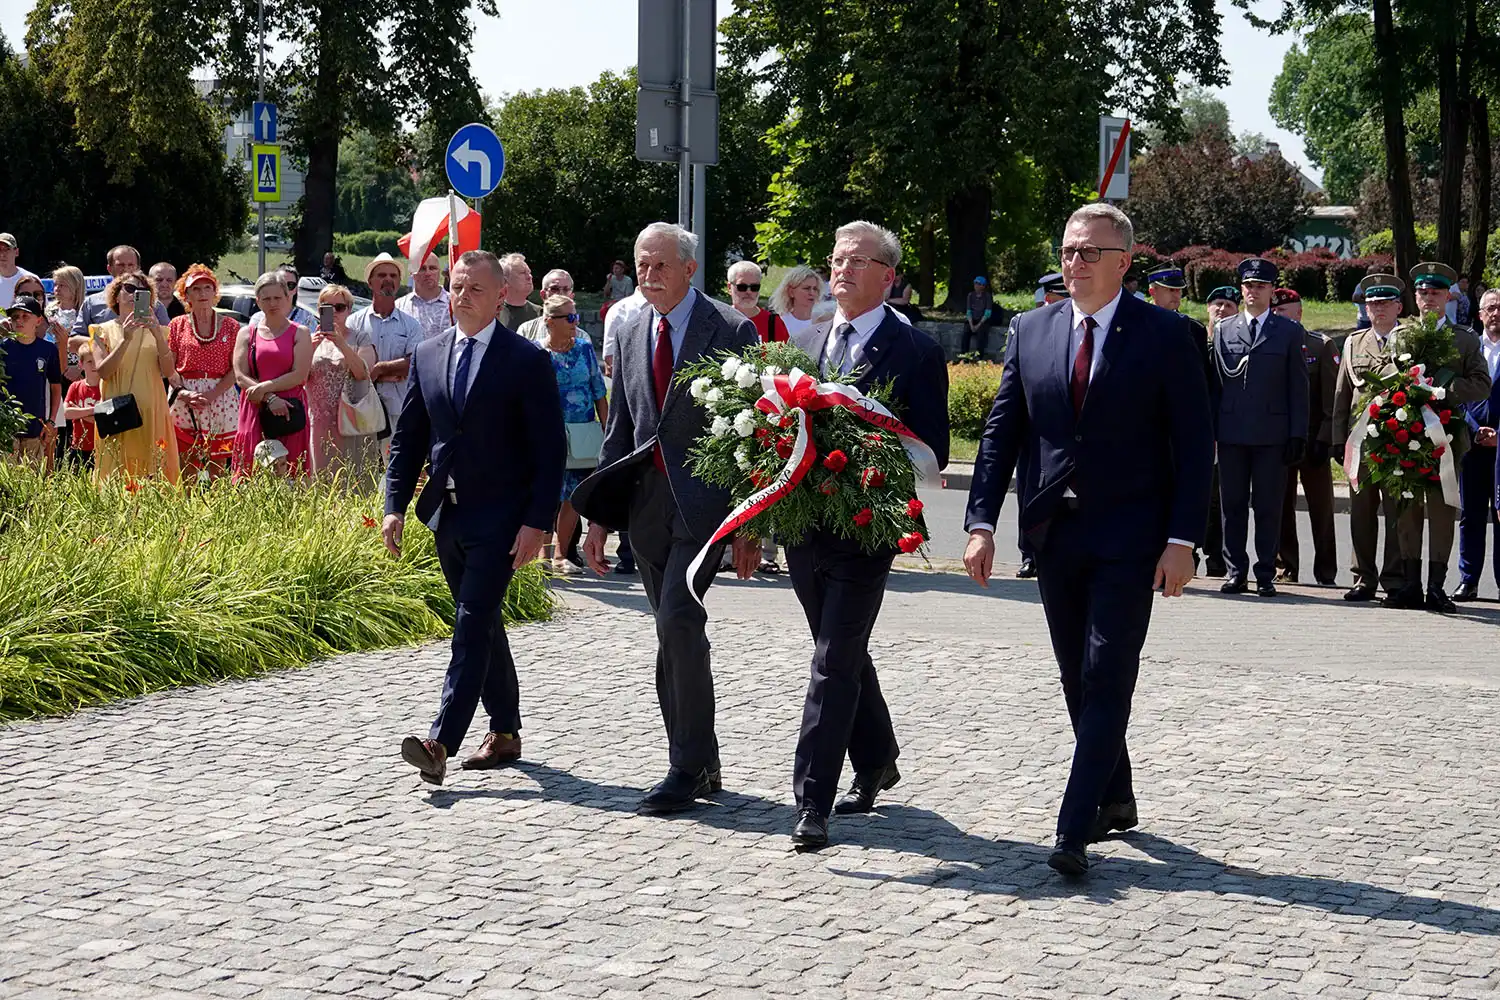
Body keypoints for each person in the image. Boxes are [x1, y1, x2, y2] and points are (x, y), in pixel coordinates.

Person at [963, 203, 1213, 876]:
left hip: (1132, 535)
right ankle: (1116, 796)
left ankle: (1072, 828)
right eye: (1069, 250)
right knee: (1077, 674)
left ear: (1124, 262)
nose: (1074, 263)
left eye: (1089, 253)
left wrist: (1182, 539)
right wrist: (982, 522)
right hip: (1055, 533)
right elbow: (1001, 435)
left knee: (1108, 674)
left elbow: (1194, 445)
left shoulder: (1164, 335)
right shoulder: (1031, 329)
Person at [578, 221, 759, 814]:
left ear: (689, 268)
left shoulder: (731, 329)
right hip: (646, 505)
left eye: (659, 266)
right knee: (671, 630)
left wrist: (751, 526)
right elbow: (621, 427)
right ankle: (701, 760)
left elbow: (758, 435)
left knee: (679, 618)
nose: (648, 276)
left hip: (705, 505)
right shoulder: (629, 325)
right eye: (641, 265)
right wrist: (599, 516)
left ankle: (685, 767)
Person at [782, 221, 950, 850]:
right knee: (840, 649)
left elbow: (931, 450)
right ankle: (877, 755)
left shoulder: (916, 352)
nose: (843, 270)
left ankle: (811, 802)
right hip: (805, 524)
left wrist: (872, 465)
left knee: (830, 661)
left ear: (889, 275)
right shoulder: (813, 342)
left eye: (858, 260)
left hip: (864, 528)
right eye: (836, 259)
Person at [383, 250, 566, 785]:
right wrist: (394, 505)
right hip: (448, 514)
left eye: (475, 289)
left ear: (502, 296)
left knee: (470, 621)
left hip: (503, 519)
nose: (463, 297)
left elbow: (549, 450)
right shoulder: (429, 352)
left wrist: (538, 523)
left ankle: (440, 742)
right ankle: (506, 731)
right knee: (482, 620)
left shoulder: (524, 361)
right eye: (457, 287)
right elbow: (410, 438)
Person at [1385, 262, 1492, 612]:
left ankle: (1436, 586)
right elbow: (1388, 379)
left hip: (1446, 436)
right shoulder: (1401, 335)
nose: (1428, 299)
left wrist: (1446, 388)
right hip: (1406, 433)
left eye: (1435, 293)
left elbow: (1481, 383)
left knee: (1444, 510)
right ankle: (1411, 584)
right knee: (1408, 510)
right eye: (1422, 293)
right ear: (1414, 297)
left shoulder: (1463, 339)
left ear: (1448, 296)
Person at [1212, 258, 1308, 597]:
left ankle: (1266, 572)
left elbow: (1298, 387)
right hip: (1232, 432)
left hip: (1272, 435)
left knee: (1268, 506)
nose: (1254, 291)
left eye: (1261, 286)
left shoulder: (1289, 331)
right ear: (1242, 289)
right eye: (1249, 286)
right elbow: (1216, 385)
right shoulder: (1223, 329)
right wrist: (1210, 430)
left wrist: (1298, 433)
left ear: (1271, 290)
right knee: (1232, 506)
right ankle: (1235, 571)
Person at [1334, 275, 1410, 602]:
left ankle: (1394, 579)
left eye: (1384, 303)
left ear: (1399, 307)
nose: (1377, 309)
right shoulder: (1353, 342)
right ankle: (1363, 577)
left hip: (1401, 440)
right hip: (1361, 442)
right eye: (1372, 303)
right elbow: (1342, 394)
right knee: (1361, 513)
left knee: (1397, 514)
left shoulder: (1411, 340)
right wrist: (1337, 439)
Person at [1269, 288, 1339, 586]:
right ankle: (1286, 569)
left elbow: (1331, 399)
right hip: (1279, 442)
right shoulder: (1267, 344)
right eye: (1274, 312)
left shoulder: (1320, 346)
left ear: (1298, 313)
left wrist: (1324, 438)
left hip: (1312, 442)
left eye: (1283, 311)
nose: (1277, 316)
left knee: (1321, 510)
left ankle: (1326, 572)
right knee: (1280, 508)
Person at [539, 294, 607, 576]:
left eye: (576, 316)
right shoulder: (537, 354)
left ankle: (560, 555)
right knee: (545, 495)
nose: (575, 322)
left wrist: (608, 433)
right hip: (547, 434)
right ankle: (540, 556)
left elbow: (599, 393)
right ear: (549, 322)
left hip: (582, 434)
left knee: (573, 496)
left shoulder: (584, 349)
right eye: (569, 318)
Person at [88, 274, 180, 484]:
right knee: (115, 475)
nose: (134, 294)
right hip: (116, 414)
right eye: (129, 288)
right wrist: (125, 339)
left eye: (142, 290)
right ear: (116, 295)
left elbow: (168, 371)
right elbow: (103, 371)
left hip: (152, 413)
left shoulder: (162, 331)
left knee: (153, 475)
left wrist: (157, 334)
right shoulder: (99, 331)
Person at [231, 271, 312, 479]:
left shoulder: (300, 332)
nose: (272, 303)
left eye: (277, 297)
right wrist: (270, 398)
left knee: (292, 473)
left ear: (288, 297)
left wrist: (265, 389)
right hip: (255, 408)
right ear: (258, 301)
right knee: (251, 472)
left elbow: (299, 375)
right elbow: (240, 376)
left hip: (289, 411)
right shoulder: (247, 333)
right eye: (266, 298)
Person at [165, 265, 241, 480]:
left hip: (221, 397)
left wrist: (212, 394)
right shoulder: (177, 325)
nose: (203, 293)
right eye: (196, 289)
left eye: (208, 287)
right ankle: (188, 508)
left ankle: (216, 508)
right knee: (187, 459)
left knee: (218, 461)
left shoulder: (231, 326)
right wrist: (182, 392)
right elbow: (169, 366)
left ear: (215, 292)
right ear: (186, 294)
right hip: (186, 396)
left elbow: (236, 368)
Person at [348, 253, 423, 448]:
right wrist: (389, 372)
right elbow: (347, 366)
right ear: (370, 282)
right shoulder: (354, 322)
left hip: (398, 409)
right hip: (361, 409)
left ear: (399, 282)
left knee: (394, 467)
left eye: (393, 275)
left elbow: (413, 365)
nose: (388, 279)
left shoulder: (411, 325)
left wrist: (378, 370)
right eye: (381, 275)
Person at [1453, 288, 1500, 601]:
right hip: (1470, 445)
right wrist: (1472, 430)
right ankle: (1468, 580)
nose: (1496, 314)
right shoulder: (1467, 349)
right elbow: (1453, 395)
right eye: (1491, 308)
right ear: (1480, 314)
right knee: (1470, 516)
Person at [306, 284, 379, 480]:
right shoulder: (309, 339)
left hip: (351, 418)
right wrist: (310, 348)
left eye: (339, 307)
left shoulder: (360, 337)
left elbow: (363, 373)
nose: (334, 312)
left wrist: (341, 343)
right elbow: (299, 378)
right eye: (326, 307)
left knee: (353, 478)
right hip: (319, 421)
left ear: (348, 309)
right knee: (320, 480)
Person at [2, 295, 61, 464]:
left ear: (38, 320)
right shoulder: (2, 348)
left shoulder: (48, 350)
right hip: (6, 430)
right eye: (15, 317)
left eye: (25, 316)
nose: (19, 321)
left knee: (32, 483)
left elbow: (55, 388)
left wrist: (50, 421)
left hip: (35, 429)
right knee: (7, 483)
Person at [73, 246, 169, 337]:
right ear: (109, 269)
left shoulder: (155, 305)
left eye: (131, 265)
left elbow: (170, 340)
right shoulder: (91, 303)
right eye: (120, 265)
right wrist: (102, 342)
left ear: (138, 268)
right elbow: (74, 340)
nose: (126, 269)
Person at [61, 348, 102, 469]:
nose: (94, 365)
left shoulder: (106, 387)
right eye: (89, 362)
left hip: (100, 448)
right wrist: (94, 410)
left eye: (97, 360)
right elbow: (66, 413)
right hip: (78, 447)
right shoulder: (75, 386)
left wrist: (78, 411)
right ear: (81, 364)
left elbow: (101, 420)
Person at [396, 255, 451, 344]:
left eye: (433, 268)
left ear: (439, 272)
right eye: (422, 269)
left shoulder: (455, 304)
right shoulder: (399, 307)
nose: (428, 273)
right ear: (412, 273)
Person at [726, 260, 785, 343]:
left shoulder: (773, 322)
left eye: (754, 287)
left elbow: (784, 354)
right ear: (729, 288)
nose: (749, 292)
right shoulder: (720, 320)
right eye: (742, 287)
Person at [770, 265, 830, 341]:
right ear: (791, 292)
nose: (812, 293)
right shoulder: (780, 321)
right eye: (806, 288)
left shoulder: (825, 321)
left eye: (815, 289)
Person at [517, 270, 579, 343]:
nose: (560, 294)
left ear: (571, 297)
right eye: (555, 289)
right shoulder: (526, 330)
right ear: (543, 295)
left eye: (566, 289)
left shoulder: (582, 338)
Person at [249, 267, 317, 332]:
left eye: (290, 285)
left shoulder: (306, 317)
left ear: (296, 289)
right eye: (281, 285)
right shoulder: (258, 319)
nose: (285, 289)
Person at [498, 253, 541, 331]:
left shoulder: (540, 313)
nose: (529, 277)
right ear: (505, 280)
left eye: (529, 272)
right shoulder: (491, 314)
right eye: (522, 273)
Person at [0, 233, 37, 310]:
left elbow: (42, 312)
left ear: (16, 252)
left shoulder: (31, 280)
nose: (2, 254)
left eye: (7, 249)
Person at [963, 276, 994, 355]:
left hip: (983, 320)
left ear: (983, 286)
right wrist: (971, 324)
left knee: (981, 334)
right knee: (966, 332)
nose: (976, 286)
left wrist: (978, 325)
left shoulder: (987, 296)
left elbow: (987, 313)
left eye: (978, 284)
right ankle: (964, 356)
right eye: (975, 283)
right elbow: (968, 311)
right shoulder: (970, 295)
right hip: (972, 319)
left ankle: (979, 356)